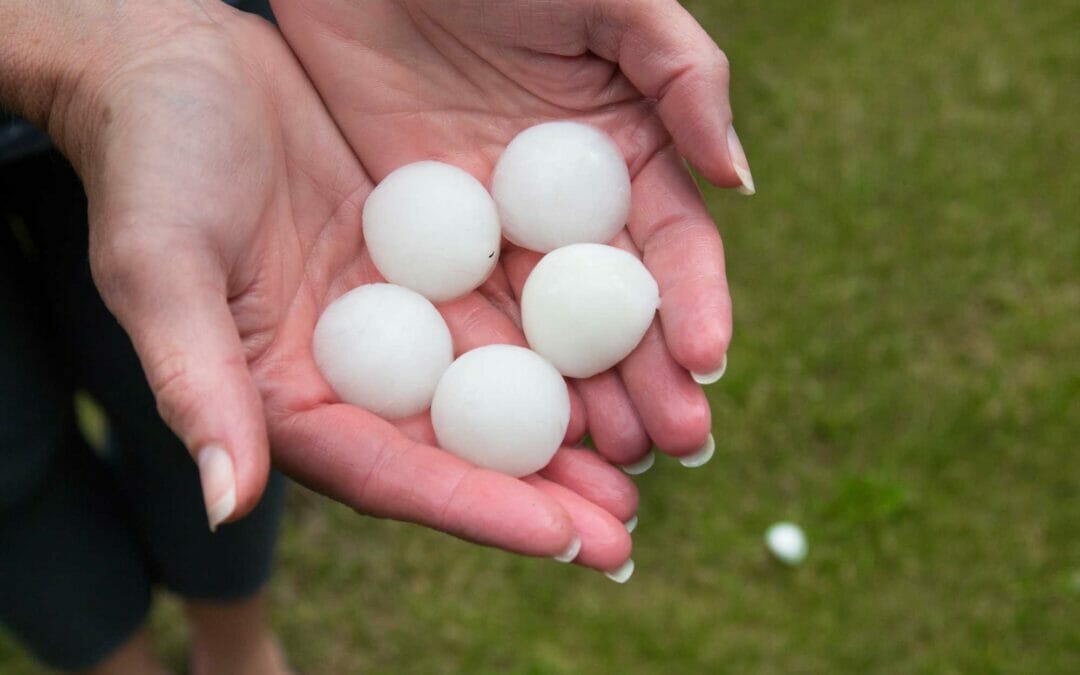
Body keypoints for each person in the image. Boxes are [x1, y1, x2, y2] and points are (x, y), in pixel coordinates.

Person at [0, 0, 752, 671]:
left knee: (195, 412)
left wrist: (110, 36)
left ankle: (234, 647)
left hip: (185, 40)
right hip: (150, 62)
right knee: (11, 458)